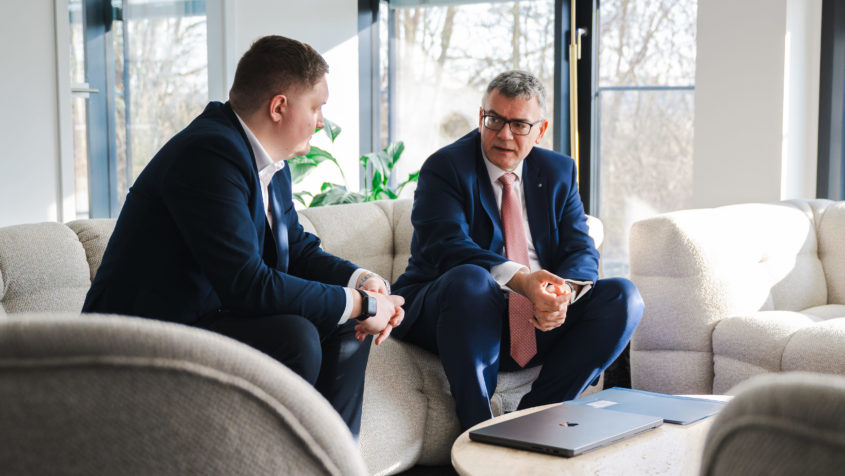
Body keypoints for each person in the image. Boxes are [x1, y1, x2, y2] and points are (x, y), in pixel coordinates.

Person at [82, 35, 404, 437]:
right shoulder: (208, 154)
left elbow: (297, 249)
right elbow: (246, 284)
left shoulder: (271, 163)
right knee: (296, 336)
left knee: (344, 326)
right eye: (317, 106)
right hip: (140, 339)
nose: (322, 120)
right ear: (279, 106)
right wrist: (363, 304)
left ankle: (331, 462)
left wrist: (363, 283)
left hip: (206, 319)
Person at [391, 70, 643, 431]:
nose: (504, 134)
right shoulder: (445, 168)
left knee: (624, 296)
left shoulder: (558, 171)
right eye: (494, 120)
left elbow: (580, 248)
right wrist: (523, 280)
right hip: (455, 312)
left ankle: (533, 420)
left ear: (539, 131)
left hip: (534, 320)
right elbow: (446, 246)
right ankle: (478, 431)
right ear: (481, 118)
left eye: (519, 125)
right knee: (471, 280)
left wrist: (563, 294)